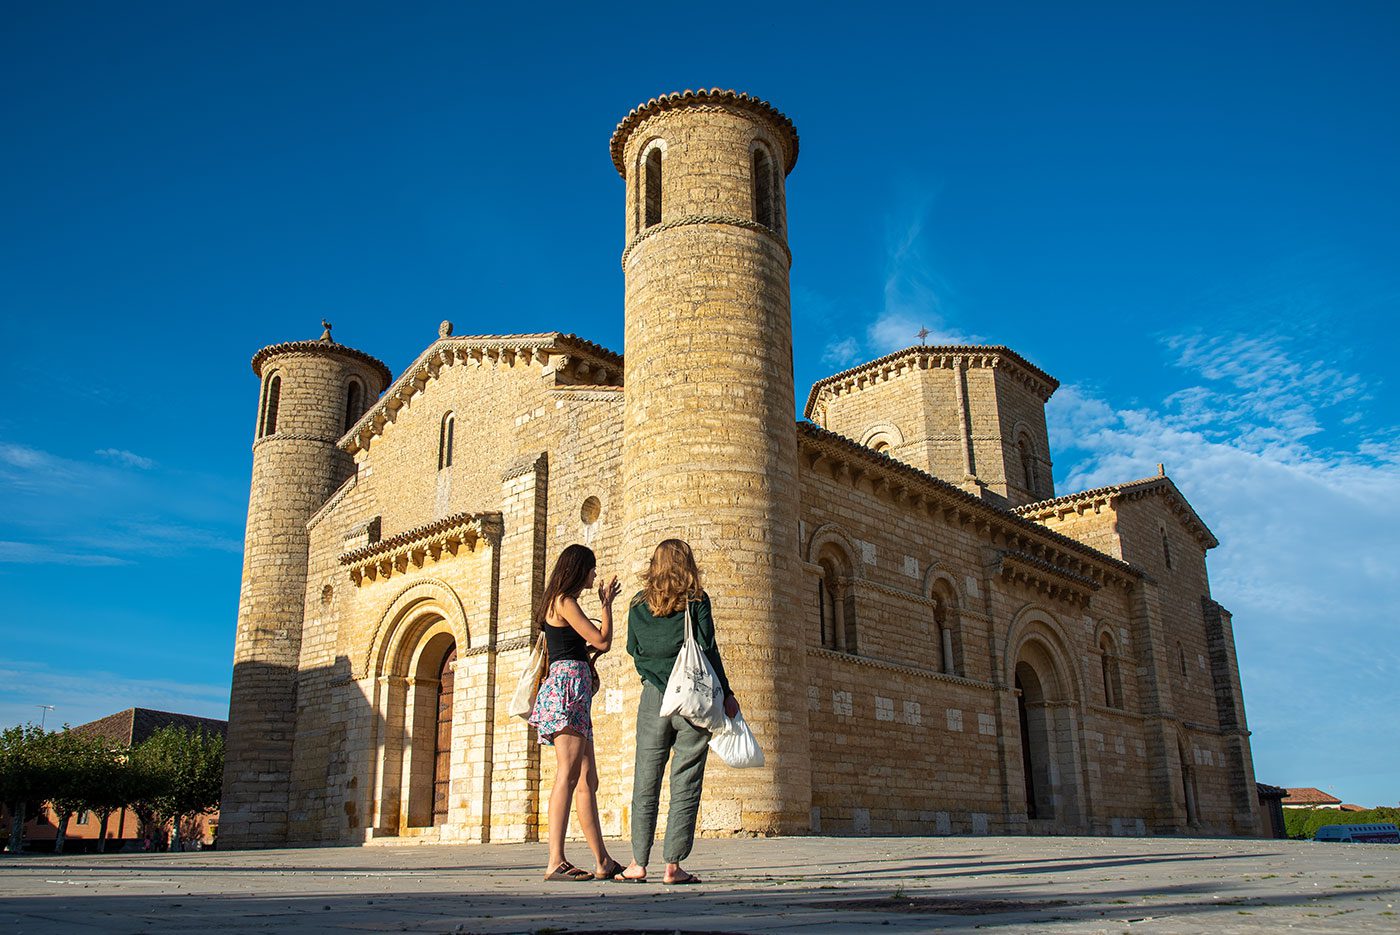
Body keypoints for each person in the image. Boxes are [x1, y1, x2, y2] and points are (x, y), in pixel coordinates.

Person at [615, 539, 740, 885]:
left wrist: (649, 672)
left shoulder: (638, 604)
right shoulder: (696, 600)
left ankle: (638, 863)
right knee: (685, 778)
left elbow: (632, 648)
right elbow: (707, 649)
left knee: (646, 778)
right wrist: (727, 693)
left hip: (654, 697)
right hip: (691, 699)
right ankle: (673, 865)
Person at [528, 543, 625, 882]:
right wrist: (606, 604)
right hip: (568, 692)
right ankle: (555, 860)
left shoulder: (561, 602)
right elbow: (601, 640)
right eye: (591, 568)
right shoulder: (564, 601)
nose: (594, 574)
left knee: (587, 779)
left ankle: (603, 861)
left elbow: (578, 647)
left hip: (576, 693)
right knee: (567, 776)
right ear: (579, 568)